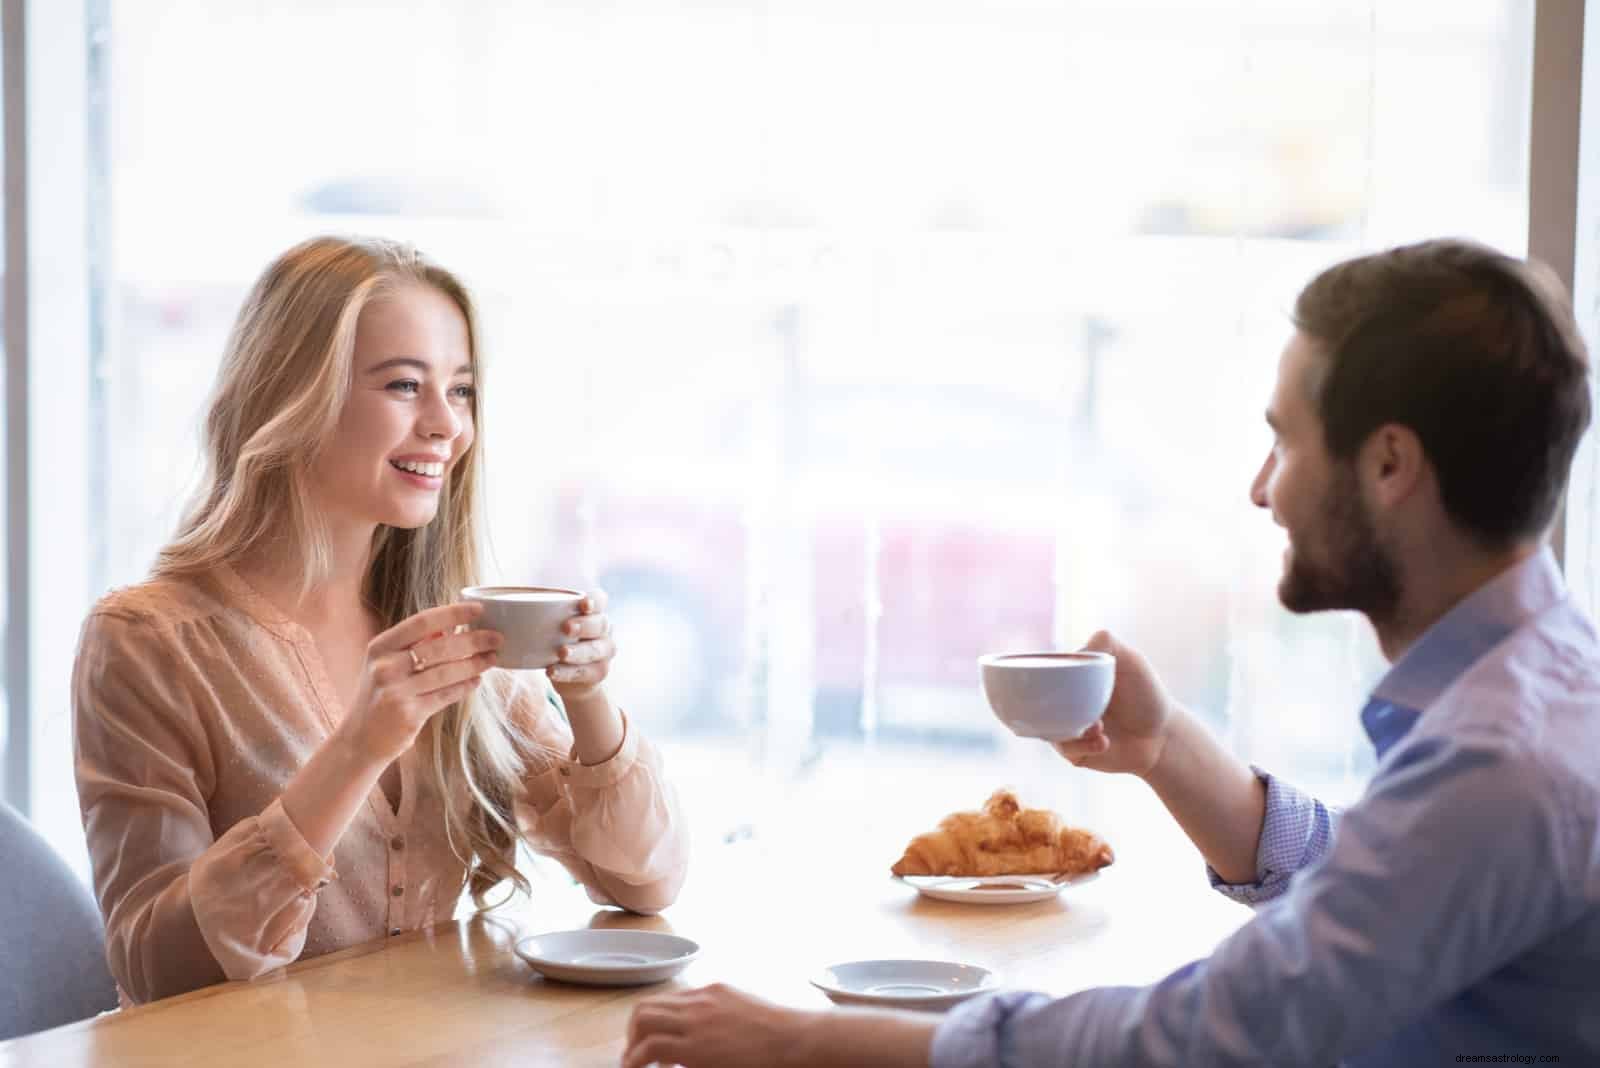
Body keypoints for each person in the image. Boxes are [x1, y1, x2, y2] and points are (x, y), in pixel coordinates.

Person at [622, 238, 1600, 1067]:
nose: (1264, 491)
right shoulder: (1540, 689)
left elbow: (1213, 1034)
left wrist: (804, 1043)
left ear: (1389, 465)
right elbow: (1384, 889)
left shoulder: (1498, 760)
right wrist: (1165, 746)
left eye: (1285, 443)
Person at [73, 235, 688, 1005]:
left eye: (460, 390)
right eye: (404, 386)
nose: (447, 427)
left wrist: (589, 696)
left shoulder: (452, 632)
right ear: (291, 395)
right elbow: (154, 969)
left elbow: (643, 884)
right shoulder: (148, 640)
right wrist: (358, 747)